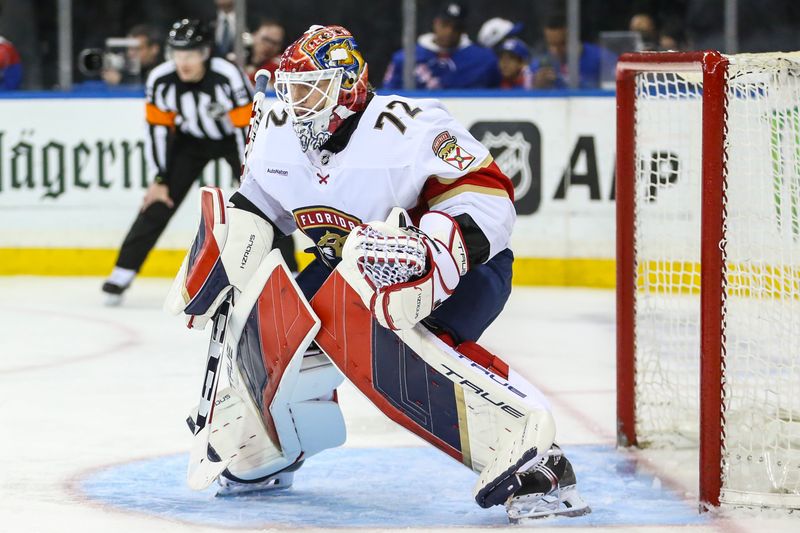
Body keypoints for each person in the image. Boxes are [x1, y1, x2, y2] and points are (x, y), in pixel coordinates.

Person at [169, 24, 590, 521]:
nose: (298, 104)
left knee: (387, 347)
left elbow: (489, 194)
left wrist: (433, 252)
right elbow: (259, 205)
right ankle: (264, 452)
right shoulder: (278, 131)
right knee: (268, 320)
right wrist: (227, 252)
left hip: (460, 271)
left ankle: (536, 461)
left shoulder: (407, 127)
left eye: (312, 90)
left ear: (348, 86)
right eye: (293, 90)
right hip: (350, 276)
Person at [102, 19, 277, 302]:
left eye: (191, 54)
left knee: (263, 202)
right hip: (191, 142)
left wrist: (249, 173)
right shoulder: (161, 79)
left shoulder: (227, 75)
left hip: (233, 140)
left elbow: (247, 128)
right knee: (158, 199)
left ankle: (289, 273)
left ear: (206, 53)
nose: (183, 62)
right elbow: (156, 131)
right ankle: (122, 273)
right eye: (178, 53)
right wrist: (160, 178)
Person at [383, 2, 499, 89]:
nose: (449, 32)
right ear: (435, 23)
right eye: (445, 25)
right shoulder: (405, 58)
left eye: (456, 28)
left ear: (463, 30)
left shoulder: (483, 60)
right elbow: (388, 93)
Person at [529, 12, 617, 89]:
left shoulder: (602, 58)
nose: (555, 50)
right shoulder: (541, 64)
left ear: (574, 36)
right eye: (551, 44)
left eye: (562, 43)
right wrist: (536, 86)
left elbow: (612, 92)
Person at [245, 19, 284, 86]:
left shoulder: (280, 65)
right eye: (266, 39)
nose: (269, 46)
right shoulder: (240, 57)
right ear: (254, 35)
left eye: (275, 43)